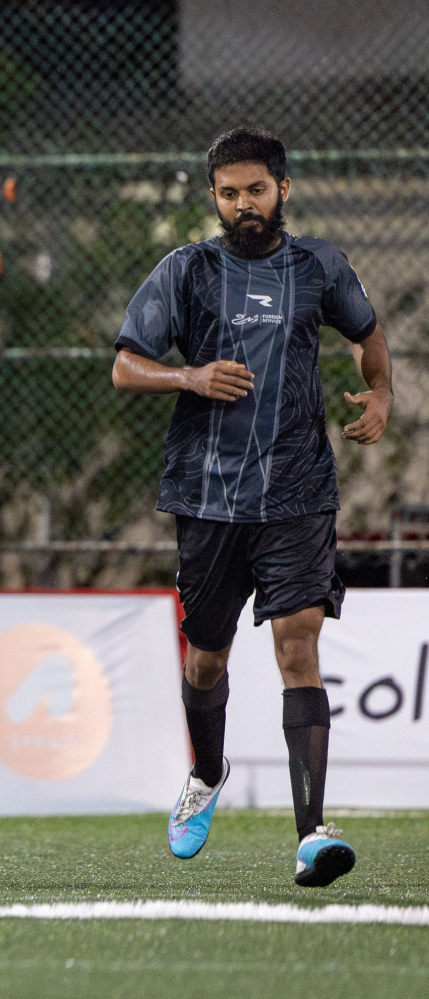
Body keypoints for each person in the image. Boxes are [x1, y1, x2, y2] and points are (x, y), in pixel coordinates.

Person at [112, 127, 392, 887]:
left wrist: (383, 392)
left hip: (299, 492)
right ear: (215, 197)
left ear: (283, 190)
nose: (243, 205)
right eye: (229, 193)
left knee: (299, 646)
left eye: (256, 191)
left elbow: (370, 336)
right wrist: (188, 378)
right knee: (206, 659)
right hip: (207, 494)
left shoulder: (320, 267)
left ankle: (313, 834)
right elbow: (125, 366)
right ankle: (206, 772)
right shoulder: (186, 271)